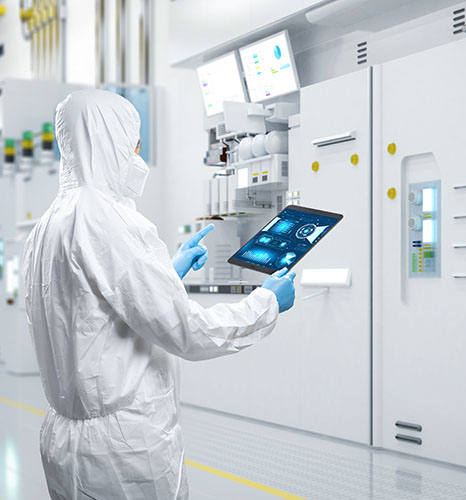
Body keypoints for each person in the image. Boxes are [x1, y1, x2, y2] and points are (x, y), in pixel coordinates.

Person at [22, 89, 296, 500]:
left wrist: (169, 270)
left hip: (65, 442)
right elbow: (185, 330)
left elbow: (89, 314)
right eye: (133, 145)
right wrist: (267, 302)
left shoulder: (48, 224)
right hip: (122, 452)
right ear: (109, 141)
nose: (136, 156)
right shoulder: (110, 220)